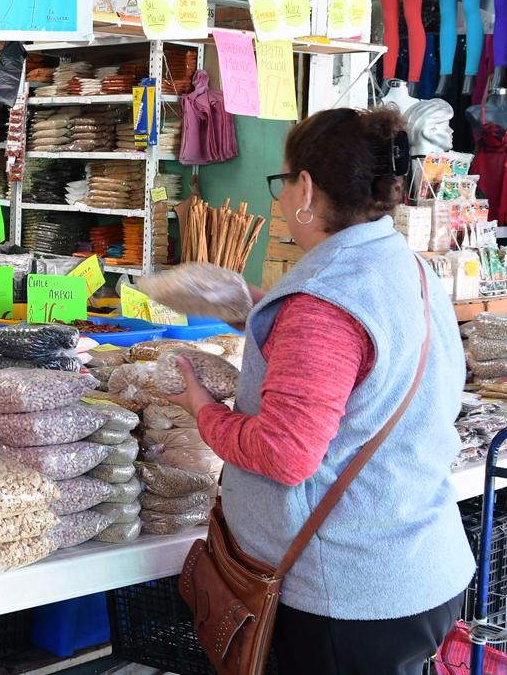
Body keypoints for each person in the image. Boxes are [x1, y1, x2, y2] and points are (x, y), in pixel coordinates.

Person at [166, 108, 472, 675]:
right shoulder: (407, 266)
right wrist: (253, 309)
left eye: (281, 182)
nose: (280, 198)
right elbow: (360, 366)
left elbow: (285, 453)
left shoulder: (325, 300)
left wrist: (202, 409)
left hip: (348, 592)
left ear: (304, 186)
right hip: (420, 563)